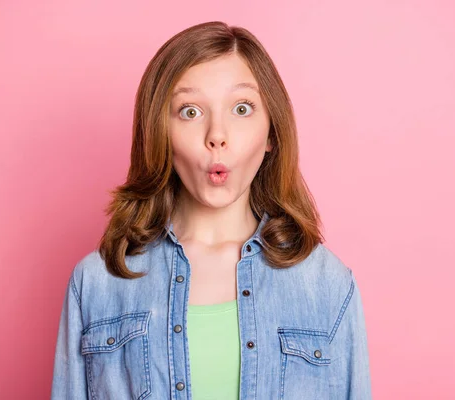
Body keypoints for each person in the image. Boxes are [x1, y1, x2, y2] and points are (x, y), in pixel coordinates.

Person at [51, 21, 371, 399]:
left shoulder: (327, 285)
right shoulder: (97, 284)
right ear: (159, 134)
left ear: (271, 133)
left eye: (241, 108)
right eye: (190, 112)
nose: (216, 135)